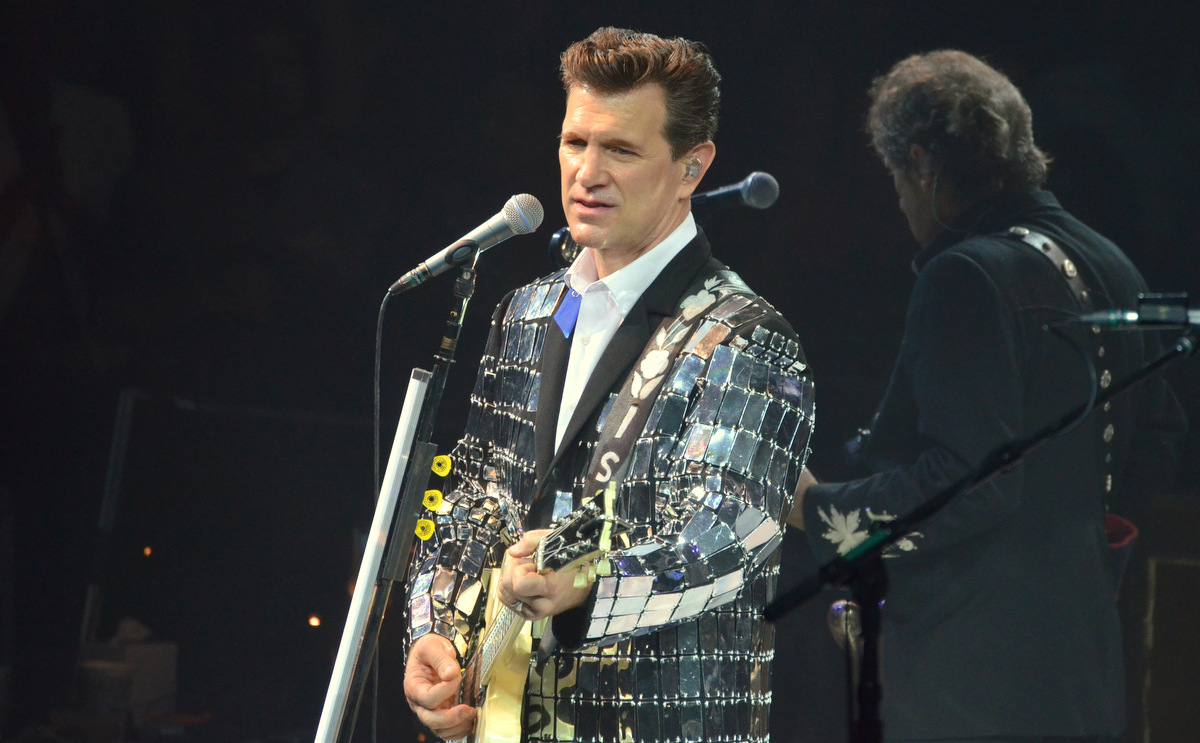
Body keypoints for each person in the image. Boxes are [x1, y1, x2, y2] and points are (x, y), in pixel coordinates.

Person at [403, 27, 814, 743]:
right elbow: (471, 499)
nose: (586, 173)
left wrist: (591, 578)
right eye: (574, 143)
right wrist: (432, 628)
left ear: (692, 167)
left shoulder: (744, 334)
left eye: (620, 150)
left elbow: (728, 531)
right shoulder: (525, 312)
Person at [790, 50, 1187, 742]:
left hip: (969, 683)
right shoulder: (1111, 263)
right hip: (1083, 666)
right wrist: (1077, 561)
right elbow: (1159, 442)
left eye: (897, 179)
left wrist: (816, 510)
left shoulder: (965, 275)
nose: (903, 202)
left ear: (921, 163)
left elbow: (970, 482)